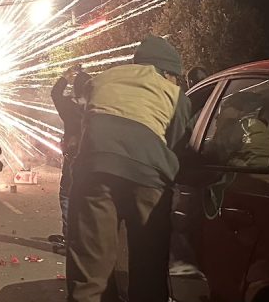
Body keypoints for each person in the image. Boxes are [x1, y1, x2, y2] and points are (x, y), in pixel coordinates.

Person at [66, 35, 191, 302]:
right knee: (148, 271)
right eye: (177, 77)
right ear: (168, 72)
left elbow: (86, 113)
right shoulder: (174, 94)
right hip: (148, 178)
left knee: (89, 274)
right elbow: (178, 146)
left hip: (94, 170)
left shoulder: (102, 79)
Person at [51, 65, 91, 244]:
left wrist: (65, 77)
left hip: (73, 157)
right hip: (93, 156)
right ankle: (86, 236)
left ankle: (70, 237)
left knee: (67, 194)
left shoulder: (69, 107)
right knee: (89, 195)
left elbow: (55, 94)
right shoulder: (98, 106)